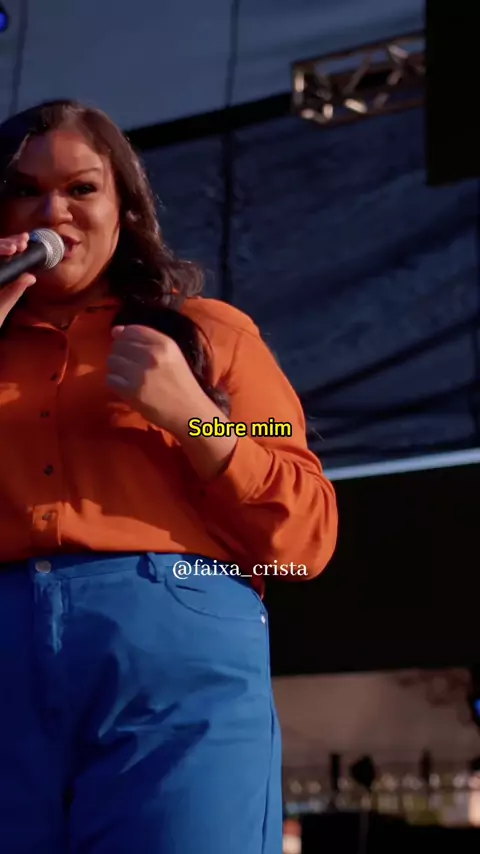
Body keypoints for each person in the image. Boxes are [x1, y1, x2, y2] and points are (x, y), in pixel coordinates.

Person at [0, 99, 338, 854]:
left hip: (170, 645)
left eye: (81, 189)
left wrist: (196, 419)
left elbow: (307, 535)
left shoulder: (207, 332)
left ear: (123, 208)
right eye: (25, 190)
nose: (53, 212)